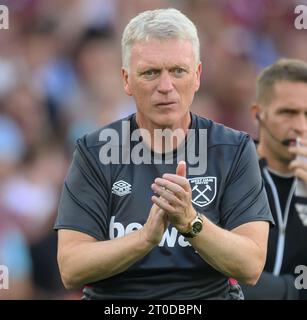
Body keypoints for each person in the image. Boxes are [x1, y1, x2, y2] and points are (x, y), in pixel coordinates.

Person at [55, 8, 273, 300]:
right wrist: (145, 238)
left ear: (196, 76)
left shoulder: (232, 150)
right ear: (126, 80)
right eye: (150, 73)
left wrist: (190, 222)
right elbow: (71, 267)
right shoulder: (94, 152)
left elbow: (251, 265)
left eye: (178, 71)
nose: (166, 87)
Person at [242, 58, 307, 300]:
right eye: (288, 113)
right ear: (258, 114)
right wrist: (291, 291)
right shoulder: (232, 175)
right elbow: (221, 275)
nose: (300, 126)